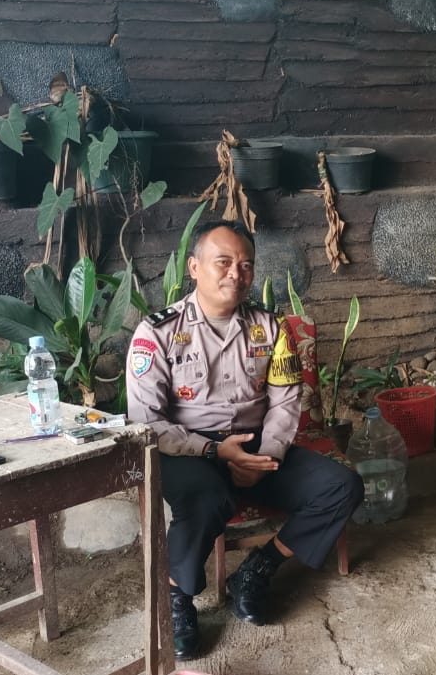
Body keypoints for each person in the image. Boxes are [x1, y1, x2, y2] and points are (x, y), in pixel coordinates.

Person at [126, 220, 364, 661]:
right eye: (223, 262)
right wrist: (215, 450)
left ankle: (258, 568)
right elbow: (147, 423)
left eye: (246, 264)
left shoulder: (270, 329)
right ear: (194, 267)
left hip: (258, 445)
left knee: (341, 486)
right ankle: (178, 596)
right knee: (205, 495)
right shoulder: (156, 333)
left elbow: (286, 402)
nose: (236, 273)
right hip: (188, 450)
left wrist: (265, 456)